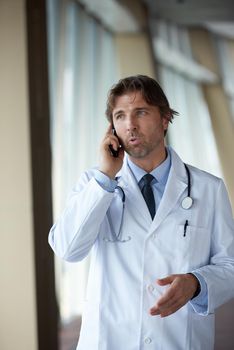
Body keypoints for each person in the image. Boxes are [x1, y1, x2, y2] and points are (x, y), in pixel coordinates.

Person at [48, 75, 234, 350]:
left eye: (141, 112)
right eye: (120, 116)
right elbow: (67, 249)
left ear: (165, 118)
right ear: (111, 127)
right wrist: (105, 178)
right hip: (109, 339)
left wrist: (197, 284)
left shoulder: (208, 189)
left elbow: (230, 265)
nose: (130, 125)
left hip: (178, 338)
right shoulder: (95, 183)